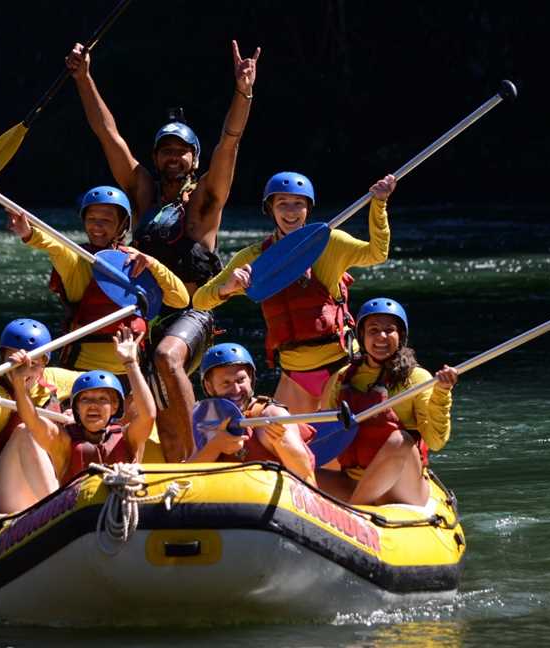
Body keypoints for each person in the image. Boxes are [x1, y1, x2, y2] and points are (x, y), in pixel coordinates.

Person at [64, 39, 260, 461]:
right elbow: (107, 133)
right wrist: (83, 78)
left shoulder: (207, 197)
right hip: (147, 316)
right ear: (156, 157)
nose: (174, 157)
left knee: (171, 359)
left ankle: (206, 450)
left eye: (182, 151)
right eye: (166, 151)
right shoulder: (142, 192)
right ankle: (171, 471)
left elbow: (231, 141)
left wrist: (243, 91)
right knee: (167, 428)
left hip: (194, 311)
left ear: (194, 158)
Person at [192, 172, 396, 414]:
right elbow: (200, 300)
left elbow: (376, 253)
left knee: (341, 443)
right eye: (282, 204)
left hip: (339, 365)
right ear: (271, 209)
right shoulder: (254, 258)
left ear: (308, 208)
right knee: (281, 443)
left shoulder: (332, 243)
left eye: (298, 203)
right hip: (294, 372)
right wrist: (228, 288)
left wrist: (379, 205)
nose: (291, 211)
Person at [6, 186, 188, 429]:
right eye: (91, 219)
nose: (97, 226)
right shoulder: (77, 260)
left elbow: (181, 300)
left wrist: (153, 264)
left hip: (131, 371)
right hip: (81, 374)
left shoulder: (135, 262)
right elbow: (56, 246)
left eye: (106, 220)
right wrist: (29, 233)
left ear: (122, 224)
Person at [0, 325, 155, 514]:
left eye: (102, 400)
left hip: (122, 512)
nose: (94, 405)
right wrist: (20, 384)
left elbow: (148, 414)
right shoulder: (64, 442)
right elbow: (31, 421)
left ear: (115, 407)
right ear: (75, 408)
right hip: (73, 518)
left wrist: (131, 363)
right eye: (85, 400)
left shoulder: (129, 438)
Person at [316, 298, 458, 506]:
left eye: (389, 330)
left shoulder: (417, 379)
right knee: (295, 470)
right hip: (354, 481)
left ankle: (354, 512)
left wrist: (442, 393)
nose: (382, 336)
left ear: (400, 336)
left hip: (402, 487)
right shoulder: (342, 378)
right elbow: (324, 436)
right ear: (362, 336)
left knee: (399, 440)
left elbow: (436, 441)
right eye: (373, 330)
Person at [0, 318, 79, 514]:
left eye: (34, 364)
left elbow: (98, 388)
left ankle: (62, 505)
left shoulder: (54, 378)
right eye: (17, 366)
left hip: (52, 479)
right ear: (2, 362)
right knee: (27, 430)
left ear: (45, 363)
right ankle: (59, 511)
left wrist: (79, 409)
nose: (26, 372)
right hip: (5, 491)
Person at [190, 343, 316, 484]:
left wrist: (281, 445)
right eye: (226, 383)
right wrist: (215, 446)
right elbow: (184, 476)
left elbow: (306, 476)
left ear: (250, 378)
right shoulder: (206, 421)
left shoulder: (270, 415)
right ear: (209, 386)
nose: (236, 390)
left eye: (241, 380)